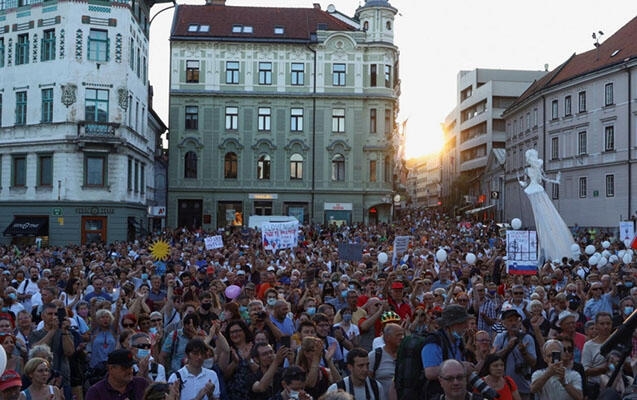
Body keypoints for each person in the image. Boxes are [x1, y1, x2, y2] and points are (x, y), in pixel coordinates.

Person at [421, 304, 475, 399]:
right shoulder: (434, 342)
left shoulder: (458, 341)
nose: (466, 326)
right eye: (462, 323)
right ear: (451, 325)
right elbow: (430, 372)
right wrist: (462, 367)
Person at [493, 306, 536, 400]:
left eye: (516, 320)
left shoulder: (527, 338)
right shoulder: (500, 338)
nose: (514, 323)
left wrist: (524, 352)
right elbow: (492, 359)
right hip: (503, 387)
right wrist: (507, 348)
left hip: (523, 388)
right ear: (503, 323)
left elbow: (533, 362)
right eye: (510, 320)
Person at [368, 323, 403, 400]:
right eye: (398, 335)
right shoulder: (375, 356)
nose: (402, 338)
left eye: (402, 335)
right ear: (387, 337)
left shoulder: (406, 356)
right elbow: (368, 382)